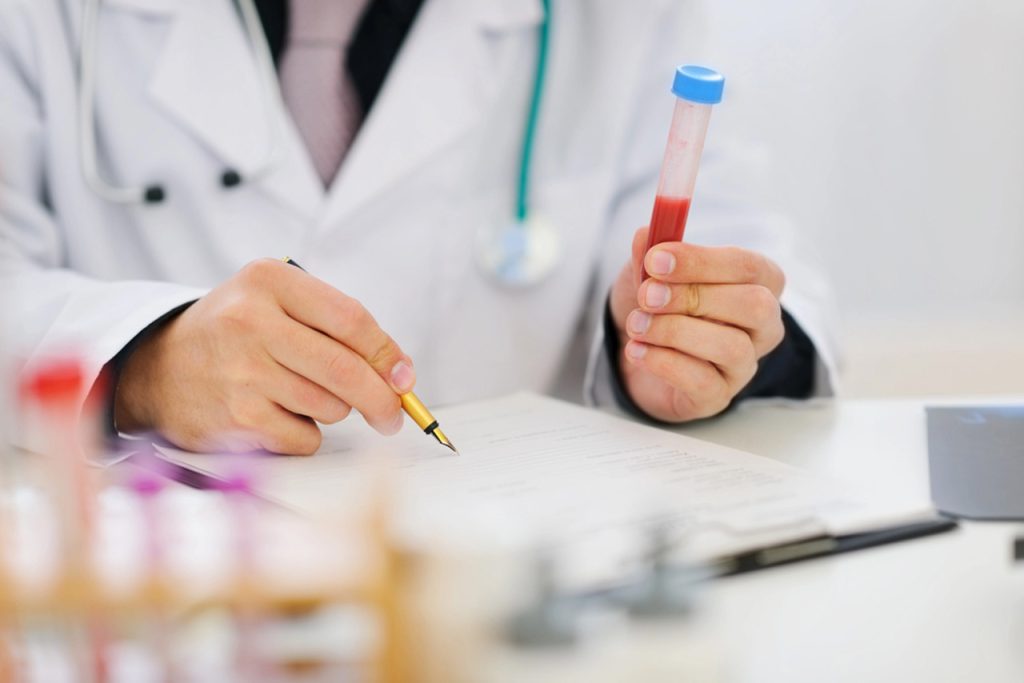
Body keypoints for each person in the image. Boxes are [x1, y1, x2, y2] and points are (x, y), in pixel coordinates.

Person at [0, 0, 837, 455]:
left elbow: (744, 242)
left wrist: (692, 343)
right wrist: (144, 362)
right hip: (164, 594)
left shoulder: (621, 16)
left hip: (503, 593)